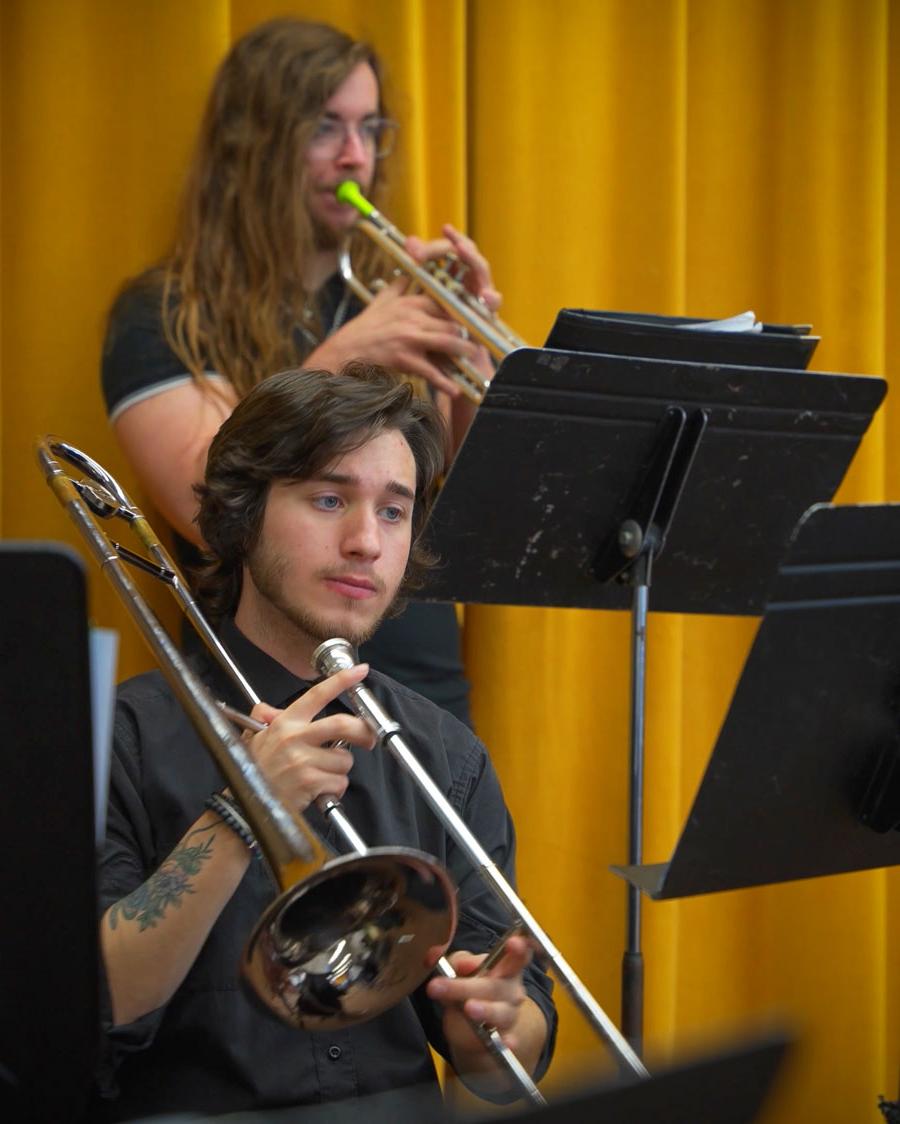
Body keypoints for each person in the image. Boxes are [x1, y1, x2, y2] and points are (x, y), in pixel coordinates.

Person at [94, 364, 555, 1121]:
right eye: (330, 499)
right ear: (244, 515)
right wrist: (242, 812)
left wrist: (501, 1024)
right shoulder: (124, 736)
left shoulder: (446, 756)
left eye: (395, 512)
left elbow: (504, 1068)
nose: (366, 542)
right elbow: (93, 1003)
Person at [101, 18, 500, 727]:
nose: (356, 157)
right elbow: (205, 506)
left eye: (369, 128)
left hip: (422, 680)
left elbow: (457, 511)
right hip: (257, 690)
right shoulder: (162, 313)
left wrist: (473, 369)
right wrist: (346, 355)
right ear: (252, 144)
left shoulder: (393, 297)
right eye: (324, 129)